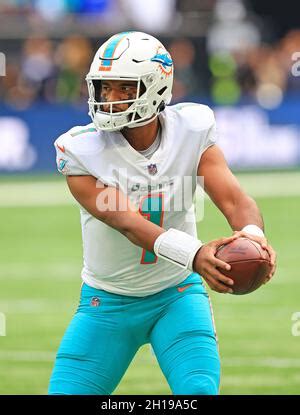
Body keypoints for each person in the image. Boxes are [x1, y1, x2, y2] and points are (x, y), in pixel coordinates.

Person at [48, 31, 276, 395]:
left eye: (124, 88)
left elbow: (233, 198)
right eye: (105, 88)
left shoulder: (192, 129)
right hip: (107, 302)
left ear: (155, 87)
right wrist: (197, 254)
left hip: (177, 295)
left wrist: (253, 235)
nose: (110, 98)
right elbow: (126, 221)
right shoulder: (80, 151)